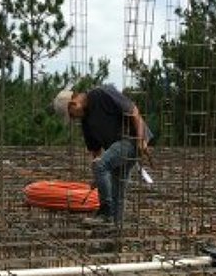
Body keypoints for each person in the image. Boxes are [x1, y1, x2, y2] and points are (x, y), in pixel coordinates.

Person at [52, 84, 151, 226]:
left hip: (131, 140)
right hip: (117, 147)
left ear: (74, 103)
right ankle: (117, 229)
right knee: (117, 193)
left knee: (102, 166)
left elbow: (133, 111)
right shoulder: (85, 120)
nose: (73, 119)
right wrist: (98, 177)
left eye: (71, 115)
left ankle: (105, 213)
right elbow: (96, 152)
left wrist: (141, 139)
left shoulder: (101, 94)